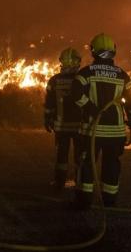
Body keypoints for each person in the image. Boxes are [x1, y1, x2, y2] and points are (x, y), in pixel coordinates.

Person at [72, 33, 131, 208]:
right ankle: (109, 200)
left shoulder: (85, 73)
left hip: (90, 130)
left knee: (87, 163)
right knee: (111, 165)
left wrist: (90, 109)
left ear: (93, 51)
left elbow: (76, 94)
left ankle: (84, 200)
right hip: (115, 132)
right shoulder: (122, 75)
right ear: (113, 51)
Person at [44, 47, 82, 193]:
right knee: (80, 156)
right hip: (80, 127)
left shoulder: (54, 80)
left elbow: (49, 104)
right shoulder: (83, 79)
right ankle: (80, 183)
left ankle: (59, 183)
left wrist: (47, 119)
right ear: (76, 62)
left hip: (61, 127)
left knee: (62, 156)